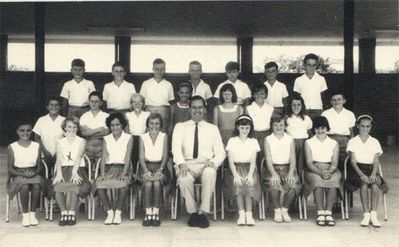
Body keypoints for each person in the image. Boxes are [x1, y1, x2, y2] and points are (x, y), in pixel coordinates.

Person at [172, 96, 225, 228]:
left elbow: (221, 152)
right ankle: (193, 212)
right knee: (184, 179)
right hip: (187, 164)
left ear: (205, 109)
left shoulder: (212, 128)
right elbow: (175, 148)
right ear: (189, 110)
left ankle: (203, 212)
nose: (197, 110)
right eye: (194, 107)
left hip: (205, 163)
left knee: (210, 173)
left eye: (200, 107)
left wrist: (213, 162)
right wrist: (181, 163)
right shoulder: (180, 127)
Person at [345, 115, 388, 227]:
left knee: (375, 186)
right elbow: (353, 161)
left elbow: (376, 160)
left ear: (371, 127)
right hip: (357, 170)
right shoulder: (353, 141)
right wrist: (362, 174)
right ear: (358, 126)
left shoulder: (375, 142)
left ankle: (373, 215)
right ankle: (366, 215)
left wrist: (374, 173)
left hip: (371, 169)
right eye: (362, 126)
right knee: (363, 184)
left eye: (367, 126)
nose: (365, 129)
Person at [94, 112, 133, 225]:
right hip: (109, 169)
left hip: (123, 168)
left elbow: (128, 156)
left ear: (122, 125)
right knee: (100, 185)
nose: (115, 127)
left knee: (123, 185)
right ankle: (110, 211)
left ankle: (118, 212)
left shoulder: (128, 137)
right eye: (112, 125)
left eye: (117, 124)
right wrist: (102, 174)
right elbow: (104, 157)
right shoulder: (106, 138)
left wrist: (124, 173)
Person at [7, 121, 48, 227]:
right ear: (17, 132)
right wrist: (24, 175)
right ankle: (25, 215)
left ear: (31, 132)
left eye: (28, 130)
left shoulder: (36, 145)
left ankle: (32, 214)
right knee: (24, 186)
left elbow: (39, 165)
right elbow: (10, 169)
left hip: (33, 172)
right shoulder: (12, 146)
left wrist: (34, 172)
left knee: (37, 185)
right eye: (22, 130)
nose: (25, 133)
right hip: (18, 173)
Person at [53, 117, 92, 226]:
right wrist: (59, 174)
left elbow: (79, 157)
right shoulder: (60, 142)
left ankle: (72, 212)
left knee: (75, 185)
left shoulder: (81, 141)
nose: (72, 129)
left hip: (77, 168)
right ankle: (64, 212)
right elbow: (59, 159)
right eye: (69, 126)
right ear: (64, 127)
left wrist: (75, 173)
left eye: (75, 127)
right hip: (63, 169)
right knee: (58, 186)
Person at [303, 116, 341, 227]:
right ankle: (320, 212)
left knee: (334, 181)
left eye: (323, 128)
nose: (320, 131)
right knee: (317, 181)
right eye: (317, 128)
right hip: (314, 169)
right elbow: (309, 162)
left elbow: (334, 163)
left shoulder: (334, 143)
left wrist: (329, 172)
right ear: (314, 129)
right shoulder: (309, 142)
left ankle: (328, 212)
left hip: (330, 169)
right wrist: (320, 173)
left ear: (327, 128)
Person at [263, 115, 301, 223]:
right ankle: (277, 210)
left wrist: (291, 173)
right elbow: (268, 159)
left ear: (285, 126)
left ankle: (285, 209)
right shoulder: (268, 139)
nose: (278, 127)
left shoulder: (289, 139)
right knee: (274, 184)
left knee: (293, 185)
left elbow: (293, 158)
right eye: (275, 125)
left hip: (288, 168)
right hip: (273, 168)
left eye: (281, 125)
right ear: (271, 126)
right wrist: (273, 174)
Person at [225, 114, 261, 226]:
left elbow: (253, 161)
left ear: (250, 128)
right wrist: (236, 175)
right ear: (237, 127)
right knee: (238, 185)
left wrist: (250, 175)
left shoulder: (253, 141)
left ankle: (249, 214)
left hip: (249, 169)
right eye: (242, 128)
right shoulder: (232, 140)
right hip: (234, 170)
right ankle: (241, 214)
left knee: (249, 184)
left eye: (247, 128)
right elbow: (230, 161)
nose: (244, 130)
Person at [138, 113, 170, 227]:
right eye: (151, 123)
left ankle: (155, 213)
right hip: (145, 167)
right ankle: (148, 213)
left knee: (156, 184)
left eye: (157, 123)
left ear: (160, 124)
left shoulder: (164, 136)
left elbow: (165, 156)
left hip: (160, 167)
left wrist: (161, 169)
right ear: (147, 124)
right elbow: (141, 157)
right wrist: (146, 171)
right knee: (148, 185)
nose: (154, 126)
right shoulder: (143, 137)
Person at [321, 91, 355, 172]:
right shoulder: (325, 114)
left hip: (344, 140)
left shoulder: (349, 114)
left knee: (344, 162)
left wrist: (352, 144)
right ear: (331, 102)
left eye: (339, 99)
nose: (336, 102)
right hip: (329, 139)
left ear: (344, 101)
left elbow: (351, 131)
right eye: (334, 100)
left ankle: (343, 180)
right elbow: (322, 130)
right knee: (330, 160)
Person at [140, 58, 175, 133]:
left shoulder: (168, 84)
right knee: (149, 135)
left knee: (162, 135)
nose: (159, 71)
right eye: (157, 69)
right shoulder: (146, 83)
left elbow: (171, 103)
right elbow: (141, 103)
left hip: (164, 111)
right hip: (149, 111)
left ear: (165, 70)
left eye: (162, 69)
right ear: (153, 69)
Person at [33, 97, 65, 173]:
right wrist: (45, 152)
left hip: (60, 155)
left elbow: (66, 139)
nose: (54, 107)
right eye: (51, 105)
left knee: (57, 177)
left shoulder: (64, 120)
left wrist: (58, 153)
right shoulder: (41, 120)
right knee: (44, 176)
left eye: (56, 105)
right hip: (44, 155)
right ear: (47, 107)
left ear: (60, 107)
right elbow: (37, 138)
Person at [293, 53, 328, 120]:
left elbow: (323, 96)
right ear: (304, 65)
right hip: (303, 110)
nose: (311, 67)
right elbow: (297, 97)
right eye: (309, 65)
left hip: (317, 109)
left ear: (316, 65)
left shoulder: (321, 79)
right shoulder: (298, 80)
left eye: (314, 65)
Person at [245, 83, 274, 161]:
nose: (259, 96)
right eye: (257, 93)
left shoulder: (270, 108)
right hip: (252, 135)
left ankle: (263, 172)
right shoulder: (248, 108)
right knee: (253, 157)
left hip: (266, 135)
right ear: (253, 95)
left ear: (266, 95)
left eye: (262, 93)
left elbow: (272, 125)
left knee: (264, 157)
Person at [79, 91, 109, 165]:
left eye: (96, 101)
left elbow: (105, 132)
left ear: (101, 103)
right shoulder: (84, 116)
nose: (94, 103)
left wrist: (89, 131)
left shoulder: (106, 116)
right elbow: (83, 133)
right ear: (89, 102)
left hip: (101, 145)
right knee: (86, 166)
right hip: (87, 145)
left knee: (100, 166)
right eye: (92, 101)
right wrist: (98, 129)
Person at [286, 95, 313, 175]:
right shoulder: (287, 119)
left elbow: (310, 133)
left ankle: (302, 180)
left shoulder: (307, 118)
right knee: (292, 162)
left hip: (304, 143)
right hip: (291, 144)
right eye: (293, 105)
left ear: (302, 106)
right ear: (290, 106)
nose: (296, 107)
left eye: (298, 105)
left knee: (302, 163)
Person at [125, 93, 150, 172]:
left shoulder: (147, 114)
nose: (137, 105)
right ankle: (133, 171)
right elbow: (127, 130)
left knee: (142, 153)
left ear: (143, 104)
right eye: (135, 103)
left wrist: (145, 139)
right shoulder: (128, 115)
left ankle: (142, 171)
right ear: (131, 104)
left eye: (140, 102)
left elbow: (148, 129)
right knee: (133, 152)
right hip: (132, 137)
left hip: (143, 138)